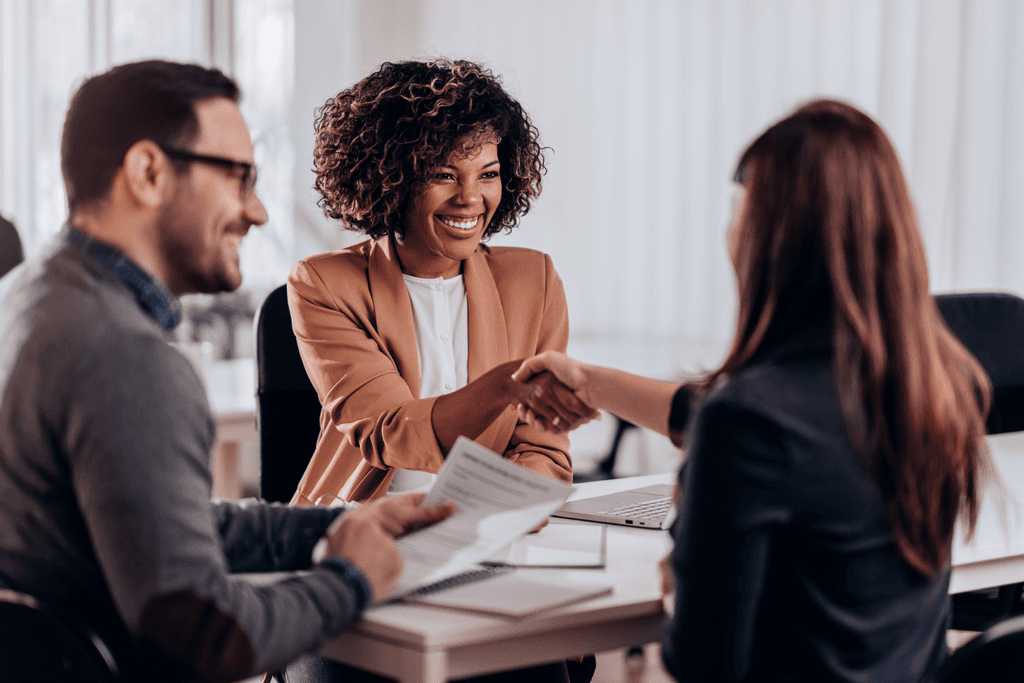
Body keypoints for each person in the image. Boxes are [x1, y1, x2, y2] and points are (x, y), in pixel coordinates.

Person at [0, 59, 454, 683]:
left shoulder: (28, 297)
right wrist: (349, 580)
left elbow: (159, 526)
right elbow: (205, 637)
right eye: (239, 177)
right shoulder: (125, 357)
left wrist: (339, 524)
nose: (258, 212)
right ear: (149, 173)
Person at [513, 99, 992, 683]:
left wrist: (679, 579)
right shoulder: (938, 386)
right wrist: (591, 381)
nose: (729, 229)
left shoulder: (750, 419)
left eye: (741, 208)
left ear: (774, 239)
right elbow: (730, 419)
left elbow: (700, 660)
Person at [288, 58, 596, 507]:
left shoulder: (535, 281)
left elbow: (542, 447)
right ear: (392, 178)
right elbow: (390, 431)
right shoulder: (324, 284)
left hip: (486, 526)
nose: (471, 198)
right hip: (363, 526)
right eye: (444, 174)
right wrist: (506, 385)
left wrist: (503, 516)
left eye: (488, 174)